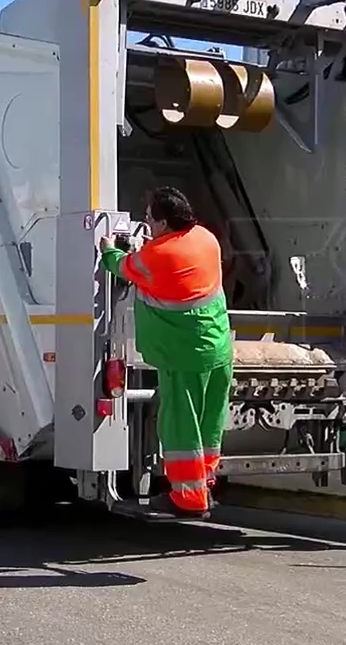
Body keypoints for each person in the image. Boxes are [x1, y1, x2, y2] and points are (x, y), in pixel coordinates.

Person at [99, 186, 233, 518]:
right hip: (216, 348)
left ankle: (188, 498)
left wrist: (107, 251)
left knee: (180, 424)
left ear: (163, 223)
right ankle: (204, 486)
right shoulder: (206, 239)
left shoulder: (158, 256)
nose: (146, 224)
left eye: (148, 219)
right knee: (208, 422)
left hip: (182, 354)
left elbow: (123, 267)